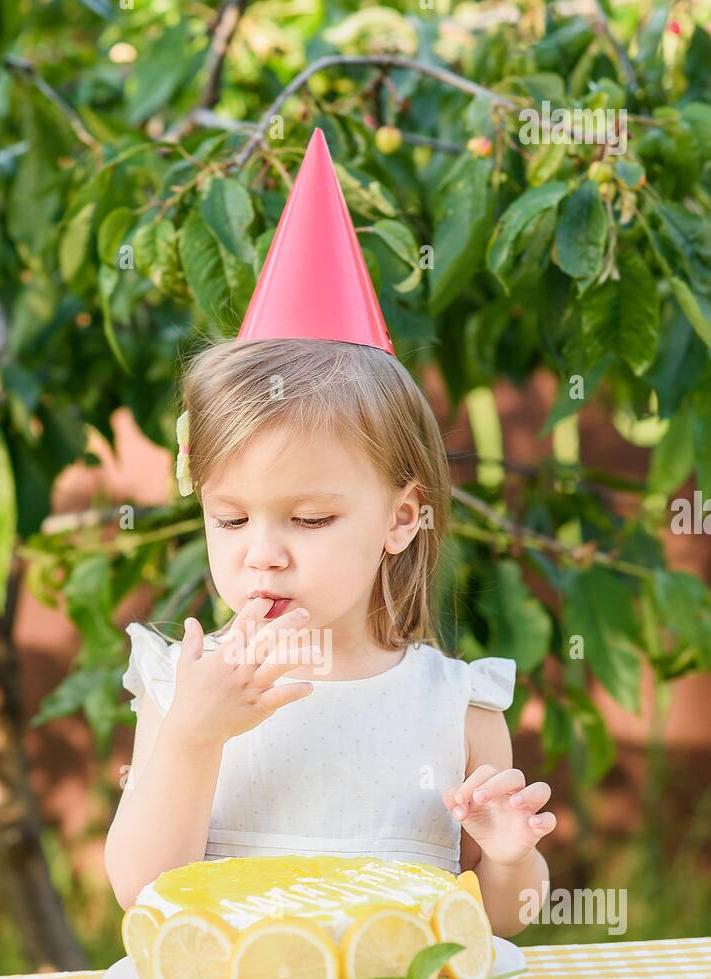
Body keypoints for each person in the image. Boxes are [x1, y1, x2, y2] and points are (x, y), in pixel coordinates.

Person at [105, 132, 555, 935]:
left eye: (310, 519)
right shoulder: (183, 687)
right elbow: (144, 894)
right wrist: (192, 738)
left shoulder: (452, 705)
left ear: (401, 518)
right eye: (231, 517)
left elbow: (504, 923)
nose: (262, 552)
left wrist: (512, 857)